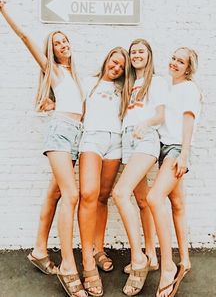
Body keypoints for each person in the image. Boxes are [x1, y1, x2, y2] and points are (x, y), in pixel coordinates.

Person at [0, 0, 87, 297]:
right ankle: (67, 264)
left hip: (75, 136)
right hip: (60, 134)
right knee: (71, 195)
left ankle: (39, 250)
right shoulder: (53, 70)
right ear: (51, 50)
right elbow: (25, 38)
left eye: (65, 41)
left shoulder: (74, 76)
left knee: (55, 193)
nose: (62, 45)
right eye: (57, 43)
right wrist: (4, 12)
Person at [112, 38, 168, 296]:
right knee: (142, 200)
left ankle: (138, 259)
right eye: (133, 51)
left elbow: (160, 114)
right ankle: (151, 254)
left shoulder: (154, 81)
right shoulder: (128, 84)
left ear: (149, 55)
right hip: (127, 140)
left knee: (120, 193)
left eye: (140, 51)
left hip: (145, 139)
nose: (136, 55)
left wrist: (145, 124)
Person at [146, 47, 201, 297]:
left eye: (181, 61)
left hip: (176, 149)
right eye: (173, 58)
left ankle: (168, 265)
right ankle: (185, 261)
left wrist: (184, 155)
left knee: (153, 198)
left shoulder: (189, 89)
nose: (175, 63)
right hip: (164, 147)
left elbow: (188, 120)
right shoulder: (167, 86)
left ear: (188, 68)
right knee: (177, 204)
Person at [77, 47, 131, 297]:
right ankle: (87, 259)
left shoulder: (124, 88)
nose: (117, 67)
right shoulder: (89, 82)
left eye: (121, 65)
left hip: (116, 142)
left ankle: (98, 249)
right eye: (114, 61)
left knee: (102, 197)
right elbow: (73, 105)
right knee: (88, 194)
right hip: (92, 139)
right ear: (106, 58)